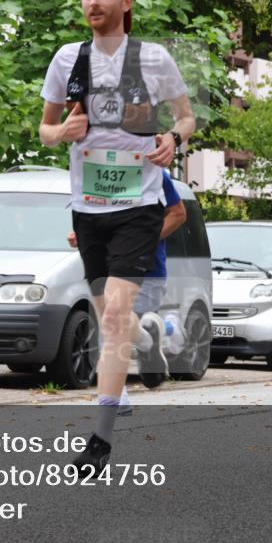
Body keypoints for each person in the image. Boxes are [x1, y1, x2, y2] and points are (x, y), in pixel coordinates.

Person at [39, 0, 195, 475]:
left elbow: (186, 117)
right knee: (116, 321)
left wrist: (174, 139)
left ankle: (100, 440)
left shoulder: (152, 59)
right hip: (88, 210)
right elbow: (45, 129)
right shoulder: (68, 60)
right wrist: (62, 133)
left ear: (125, 2)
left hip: (139, 207)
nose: (93, 4)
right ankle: (145, 340)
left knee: (110, 318)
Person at [67, 169, 188, 412]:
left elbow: (178, 214)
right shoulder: (95, 171)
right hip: (109, 266)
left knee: (125, 323)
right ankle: (116, 397)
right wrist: (83, 236)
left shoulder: (155, 174)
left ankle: (168, 329)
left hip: (149, 268)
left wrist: (139, 242)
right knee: (113, 322)